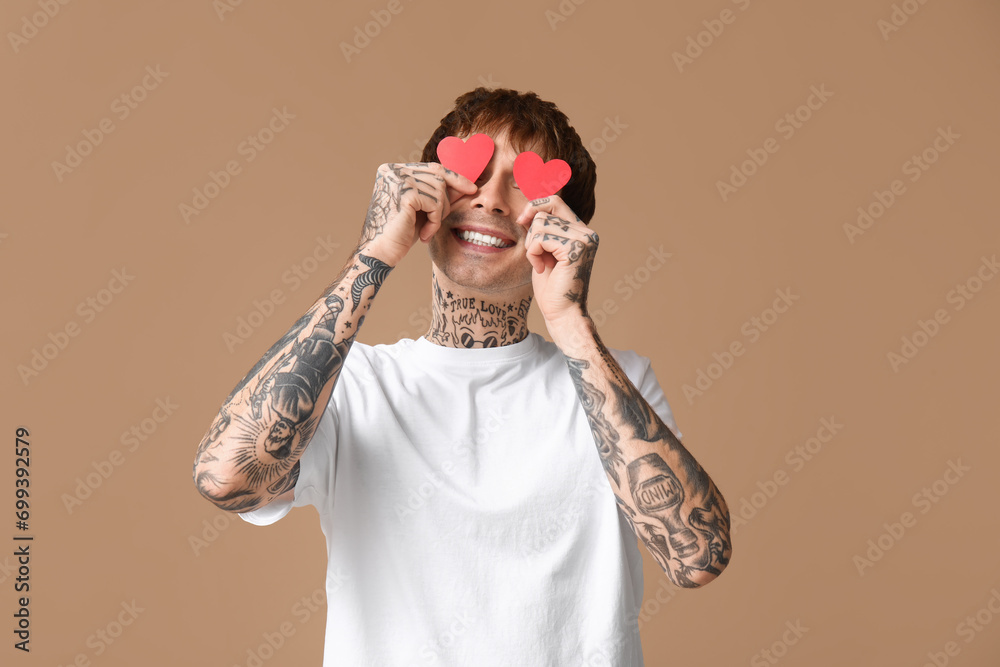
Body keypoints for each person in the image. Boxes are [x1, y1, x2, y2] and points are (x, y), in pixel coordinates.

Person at [192, 87, 732, 666]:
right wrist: (372, 254)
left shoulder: (616, 380)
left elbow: (697, 556)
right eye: (475, 172)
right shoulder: (353, 385)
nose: (494, 200)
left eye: (525, 181)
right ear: (431, 191)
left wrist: (570, 319)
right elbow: (227, 478)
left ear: (563, 222)